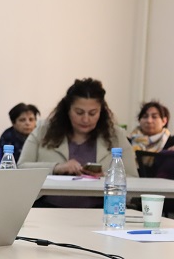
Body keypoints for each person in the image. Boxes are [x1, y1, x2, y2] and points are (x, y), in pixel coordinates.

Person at [18, 78, 138, 208]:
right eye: (79, 112)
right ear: (67, 110)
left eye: (92, 113)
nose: (85, 119)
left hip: (101, 211)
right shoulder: (43, 131)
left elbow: (134, 181)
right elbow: (20, 169)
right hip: (47, 209)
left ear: (101, 112)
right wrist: (56, 168)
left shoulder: (116, 136)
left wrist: (105, 177)